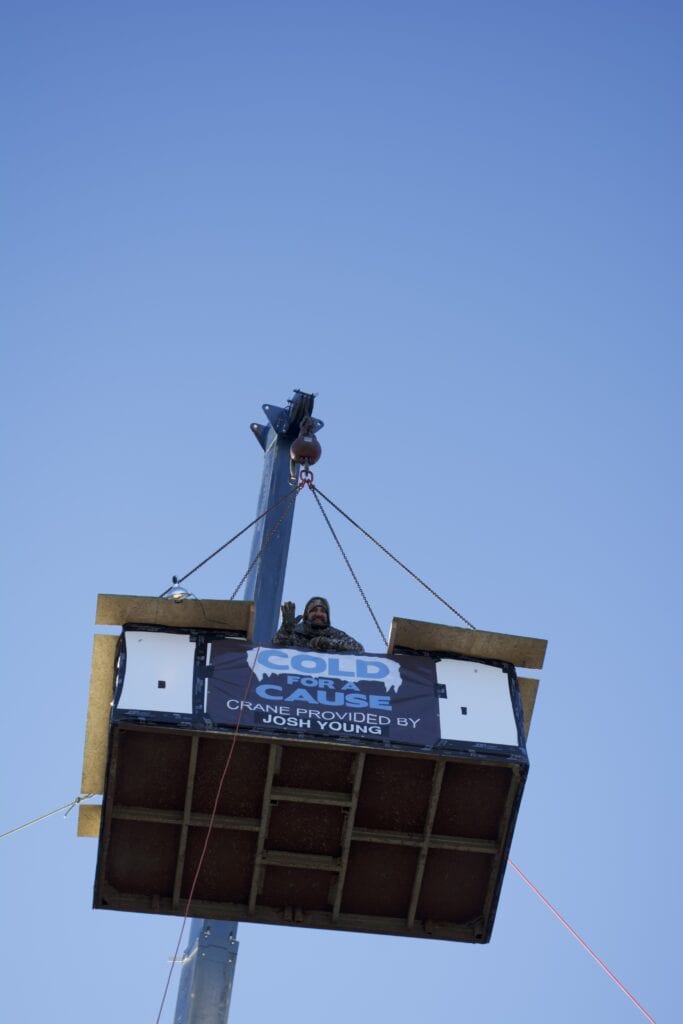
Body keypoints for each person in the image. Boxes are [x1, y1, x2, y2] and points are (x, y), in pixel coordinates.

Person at [271, 596, 364, 653]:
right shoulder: (294, 632)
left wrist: (327, 643)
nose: (319, 614)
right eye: (314, 610)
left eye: (323, 611)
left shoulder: (336, 634)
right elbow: (274, 649)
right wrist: (286, 629)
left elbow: (359, 649)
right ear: (306, 615)